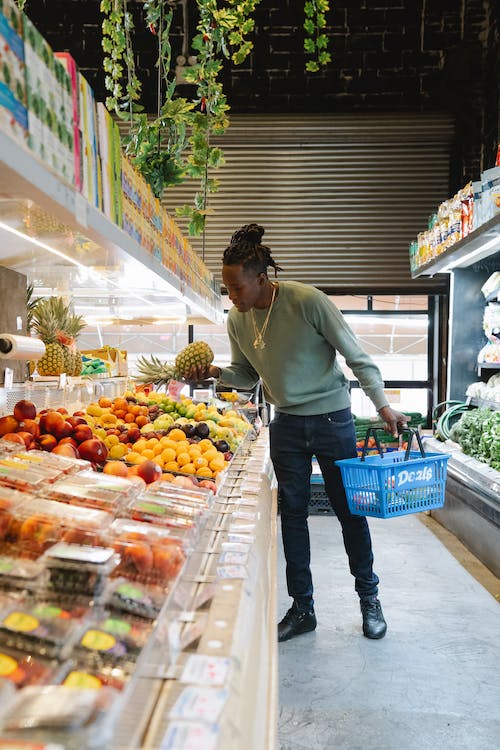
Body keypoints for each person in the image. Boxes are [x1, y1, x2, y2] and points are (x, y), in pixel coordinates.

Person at [187, 223, 409, 643]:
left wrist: (382, 405)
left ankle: (369, 598)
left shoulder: (308, 301)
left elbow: (356, 356)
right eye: (227, 288)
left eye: (236, 287)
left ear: (261, 278)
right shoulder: (238, 318)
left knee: (349, 512)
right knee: (291, 516)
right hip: (285, 423)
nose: (231, 296)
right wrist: (216, 372)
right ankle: (303, 607)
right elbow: (247, 374)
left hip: (331, 419)